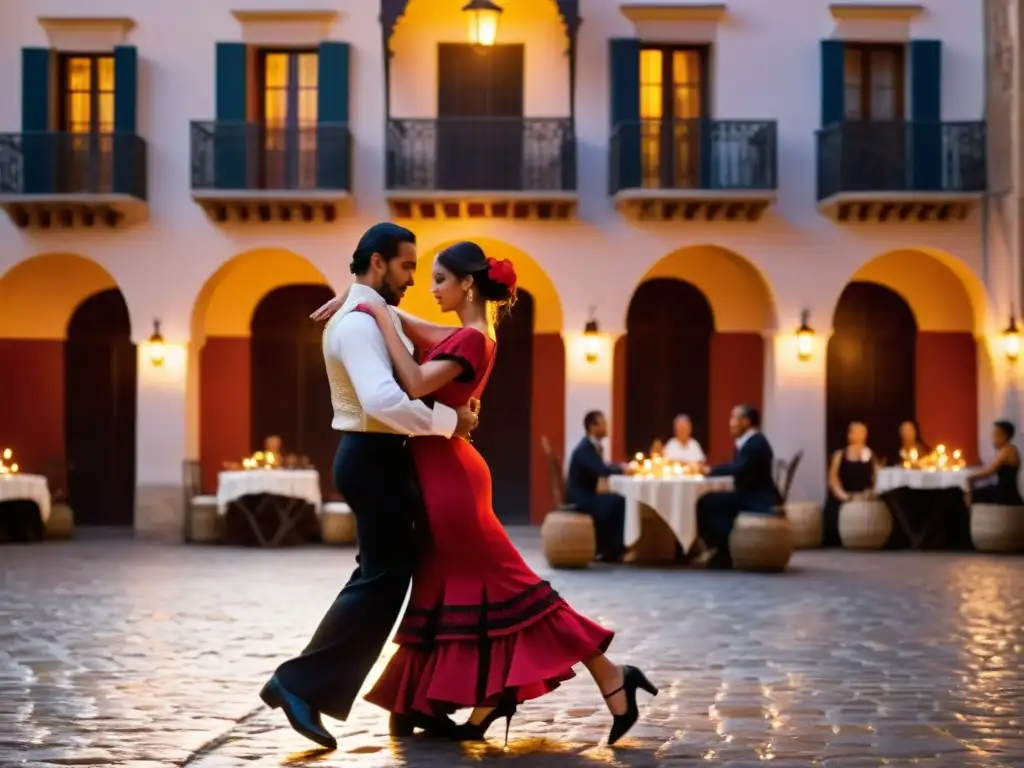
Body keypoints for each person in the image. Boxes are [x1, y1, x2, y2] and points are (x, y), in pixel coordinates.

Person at [314, 242, 657, 747]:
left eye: (440, 279)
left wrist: (372, 314)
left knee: (508, 585)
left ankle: (611, 676)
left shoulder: (473, 339)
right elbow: (405, 320)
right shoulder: (464, 332)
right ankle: (441, 700)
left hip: (451, 480)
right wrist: (360, 295)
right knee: (446, 587)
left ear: (467, 284)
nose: (430, 288)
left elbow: (410, 380)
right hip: (438, 472)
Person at [259, 223, 480, 750]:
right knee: (381, 579)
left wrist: (361, 298)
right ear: (379, 263)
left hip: (380, 458)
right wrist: (452, 424)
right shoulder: (357, 325)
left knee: (393, 576)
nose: (412, 278)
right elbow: (382, 401)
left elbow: (425, 335)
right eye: (406, 266)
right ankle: (298, 684)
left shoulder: (363, 313)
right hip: (371, 457)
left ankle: (409, 700)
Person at [695, 404, 781, 569]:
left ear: (746, 421)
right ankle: (722, 549)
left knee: (706, 502)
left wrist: (710, 470)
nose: (730, 423)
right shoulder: (749, 442)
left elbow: (738, 469)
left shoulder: (756, 443)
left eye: (734, 418)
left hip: (758, 498)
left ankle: (722, 551)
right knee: (712, 500)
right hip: (749, 494)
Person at [566, 411, 627, 562]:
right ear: (593, 426)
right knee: (618, 502)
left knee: (615, 500)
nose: (607, 427)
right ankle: (612, 550)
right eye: (603, 424)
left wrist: (618, 467)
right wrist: (623, 469)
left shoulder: (592, 446)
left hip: (587, 494)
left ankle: (608, 548)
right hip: (580, 497)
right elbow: (601, 470)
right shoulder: (584, 448)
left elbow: (602, 466)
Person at [822, 422, 877, 547]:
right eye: (852, 431)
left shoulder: (870, 455)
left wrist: (869, 494)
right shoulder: (840, 455)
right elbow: (833, 480)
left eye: (860, 432)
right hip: (844, 495)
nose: (855, 435)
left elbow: (876, 479)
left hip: (863, 496)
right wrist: (845, 497)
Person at [969, 420, 1023, 505]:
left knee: (969, 493)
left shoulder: (1008, 450)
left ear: (1005, 436)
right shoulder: (1006, 449)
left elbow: (990, 471)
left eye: (996, 435)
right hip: (1004, 491)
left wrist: (969, 476)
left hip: (1006, 494)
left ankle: (967, 518)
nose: (993, 438)